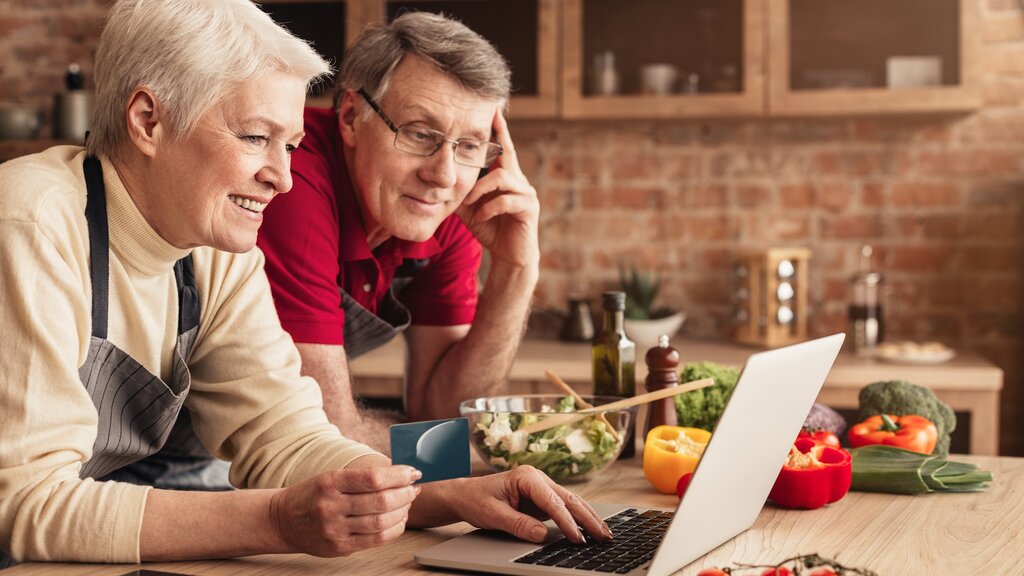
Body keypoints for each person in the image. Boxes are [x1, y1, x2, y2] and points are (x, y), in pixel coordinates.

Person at [0, 0, 609, 567]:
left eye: (289, 144)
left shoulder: (214, 247)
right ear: (148, 121)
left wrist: (452, 496)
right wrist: (275, 519)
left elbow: (287, 436)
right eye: (255, 137)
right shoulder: (32, 222)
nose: (282, 178)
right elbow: (22, 505)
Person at [256, 12, 540, 452]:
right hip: (161, 465)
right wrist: (447, 455)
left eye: (469, 146)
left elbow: (446, 411)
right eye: (420, 134)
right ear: (351, 116)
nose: (443, 175)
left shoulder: (448, 206)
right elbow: (326, 437)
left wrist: (516, 269)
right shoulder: (294, 178)